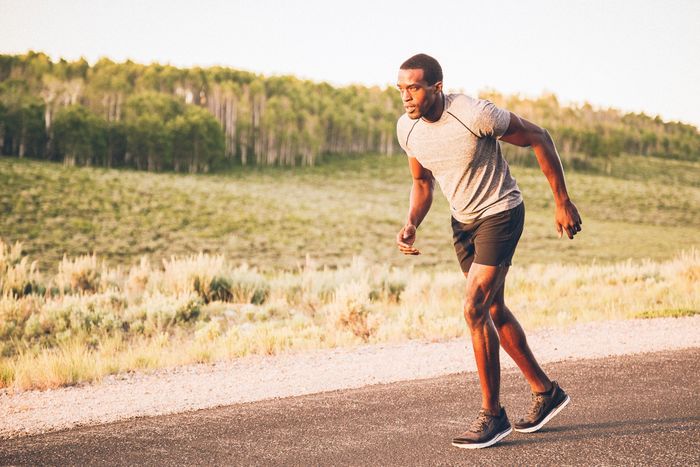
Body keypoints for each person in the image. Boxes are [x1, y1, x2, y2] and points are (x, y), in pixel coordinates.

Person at [394, 53, 582, 449]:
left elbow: (539, 136)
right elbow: (423, 183)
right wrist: (412, 222)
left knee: (474, 308)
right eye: (401, 89)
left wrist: (561, 200)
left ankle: (493, 415)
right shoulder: (407, 130)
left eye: (413, 88)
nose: (406, 97)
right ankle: (546, 391)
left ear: (436, 87)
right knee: (493, 309)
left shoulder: (474, 113)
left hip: (501, 210)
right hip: (462, 222)